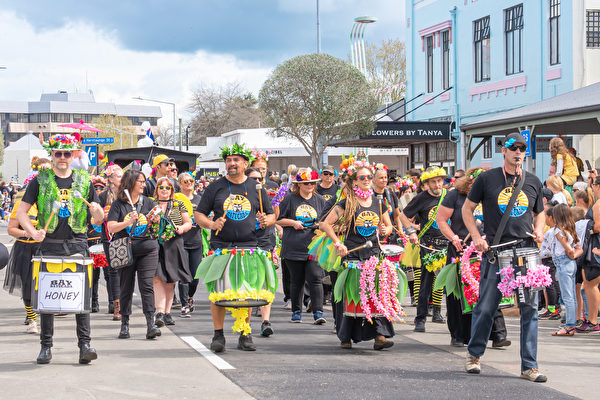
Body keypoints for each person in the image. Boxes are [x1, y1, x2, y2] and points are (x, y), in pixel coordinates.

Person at [462, 132, 547, 382]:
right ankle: (474, 355)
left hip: (525, 251)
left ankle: (529, 366)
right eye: (513, 148)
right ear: (504, 150)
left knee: (530, 309)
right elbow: (467, 210)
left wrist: (540, 229)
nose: (518, 152)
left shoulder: (532, 181)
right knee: (487, 307)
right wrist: (476, 236)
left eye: (522, 148)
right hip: (496, 252)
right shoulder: (487, 179)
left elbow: (539, 212)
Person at [17, 134, 104, 365]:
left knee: (80, 297)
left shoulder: (85, 182)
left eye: (67, 153)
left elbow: (98, 220)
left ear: (73, 154)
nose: (63, 158)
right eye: (58, 154)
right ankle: (46, 347)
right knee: (49, 297)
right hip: (50, 246)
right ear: (52, 155)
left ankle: (85, 345)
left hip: (78, 244)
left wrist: (96, 210)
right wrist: (33, 232)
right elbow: (21, 213)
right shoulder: (40, 180)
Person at [194, 143, 275, 352]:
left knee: (245, 292)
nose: (231, 163)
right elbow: (199, 214)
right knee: (218, 293)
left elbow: (272, 214)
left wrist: (267, 220)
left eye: (236, 160)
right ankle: (218, 335)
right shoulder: (215, 187)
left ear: (245, 163)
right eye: (228, 160)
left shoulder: (255, 187)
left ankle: (245, 333)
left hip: (249, 247)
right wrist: (212, 224)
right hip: (222, 247)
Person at [319, 159, 395, 350]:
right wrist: (338, 243)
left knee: (375, 293)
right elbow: (325, 224)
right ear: (354, 182)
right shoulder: (347, 202)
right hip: (353, 254)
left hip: (374, 253)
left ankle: (379, 335)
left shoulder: (378, 202)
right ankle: (345, 336)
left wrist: (387, 229)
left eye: (369, 176)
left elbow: (389, 224)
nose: (367, 180)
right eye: (362, 177)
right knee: (351, 295)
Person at [436, 168, 511, 348]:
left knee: (491, 289)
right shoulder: (455, 196)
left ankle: (498, 334)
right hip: (461, 249)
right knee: (459, 294)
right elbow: (440, 219)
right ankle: (459, 334)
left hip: (487, 249)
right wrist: (454, 238)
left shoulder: (493, 196)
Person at [107, 170, 161, 340]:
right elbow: (111, 227)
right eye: (141, 182)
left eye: (144, 182)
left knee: (146, 286)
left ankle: (150, 324)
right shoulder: (119, 204)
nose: (144, 185)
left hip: (147, 248)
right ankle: (125, 324)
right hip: (126, 249)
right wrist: (128, 222)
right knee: (126, 286)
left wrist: (156, 220)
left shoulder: (148, 202)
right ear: (131, 183)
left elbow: (155, 225)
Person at [3, 157, 51, 334]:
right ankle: (32, 319)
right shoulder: (24, 197)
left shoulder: (55, 196)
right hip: (26, 248)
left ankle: (45, 318)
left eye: (49, 171)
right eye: (42, 171)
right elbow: (11, 229)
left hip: (47, 249)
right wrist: (29, 233)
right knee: (28, 287)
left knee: (46, 286)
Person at [400, 167, 449, 332]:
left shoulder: (448, 196)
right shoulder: (421, 198)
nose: (437, 184)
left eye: (440, 181)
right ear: (427, 184)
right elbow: (403, 216)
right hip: (428, 245)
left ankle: (438, 312)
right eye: (434, 181)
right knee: (425, 283)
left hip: (447, 244)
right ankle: (420, 319)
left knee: (444, 281)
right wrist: (411, 232)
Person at [278, 168, 327, 324]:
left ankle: (318, 312)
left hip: (314, 245)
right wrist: (293, 223)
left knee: (316, 278)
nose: (310, 186)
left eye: (312, 183)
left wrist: (319, 224)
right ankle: (296, 311)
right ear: (299, 184)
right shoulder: (290, 198)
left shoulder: (320, 200)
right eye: (306, 183)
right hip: (294, 245)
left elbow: (327, 221)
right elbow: (279, 220)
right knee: (297, 280)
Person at [151, 176, 192, 327]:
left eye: (167, 188)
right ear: (157, 190)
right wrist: (152, 221)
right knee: (157, 278)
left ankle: (167, 313)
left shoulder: (178, 204)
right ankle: (159, 312)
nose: (164, 190)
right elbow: (145, 221)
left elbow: (188, 222)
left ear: (172, 190)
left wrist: (182, 228)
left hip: (174, 244)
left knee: (170, 281)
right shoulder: (152, 204)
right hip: (156, 244)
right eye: (161, 187)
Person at [550, 204, 581, 336]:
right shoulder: (571, 229)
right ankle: (571, 322)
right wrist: (573, 255)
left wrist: (571, 254)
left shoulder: (558, 231)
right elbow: (578, 247)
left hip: (563, 263)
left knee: (567, 296)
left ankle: (569, 326)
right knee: (572, 296)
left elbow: (568, 249)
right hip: (571, 264)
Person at [98, 163, 124, 320]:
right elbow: (96, 218)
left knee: (125, 270)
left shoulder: (126, 194)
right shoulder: (103, 196)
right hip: (109, 237)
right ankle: (116, 305)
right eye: (119, 176)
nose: (122, 179)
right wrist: (103, 216)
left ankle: (124, 301)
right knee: (112, 271)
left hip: (124, 235)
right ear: (111, 179)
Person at [177, 172, 204, 318]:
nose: (189, 183)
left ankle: (190, 296)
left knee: (195, 276)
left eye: (191, 181)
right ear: (180, 183)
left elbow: (205, 215)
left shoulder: (200, 199)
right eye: (185, 181)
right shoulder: (176, 199)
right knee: (183, 275)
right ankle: (184, 305)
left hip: (196, 241)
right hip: (181, 241)